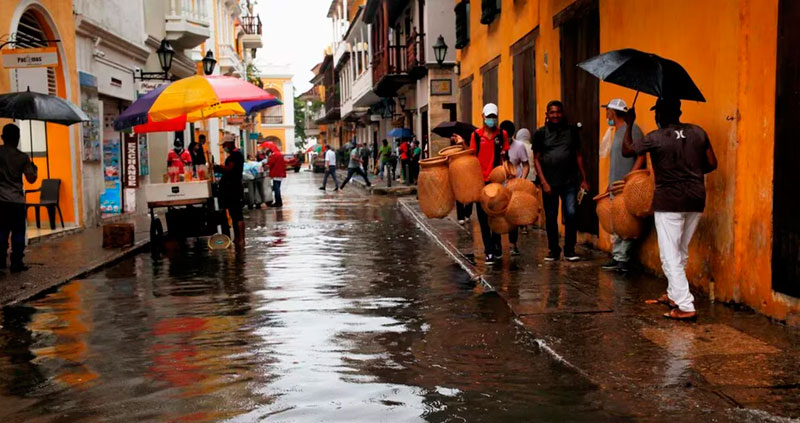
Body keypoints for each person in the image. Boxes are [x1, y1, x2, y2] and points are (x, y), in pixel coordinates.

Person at [622, 97, 717, 321]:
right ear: (679, 111)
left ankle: (685, 305)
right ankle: (675, 295)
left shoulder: (655, 137)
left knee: (669, 255)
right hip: (695, 198)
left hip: (669, 201)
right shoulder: (698, 132)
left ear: (658, 116)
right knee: (680, 250)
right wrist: (689, 170)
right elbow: (711, 163)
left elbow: (627, 150)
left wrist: (629, 124)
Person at [533, 100, 590, 262]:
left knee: (571, 214)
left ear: (562, 113)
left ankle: (570, 249)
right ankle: (553, 249)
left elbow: (579, 156)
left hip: (570, 181)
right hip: (549, 183)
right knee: (551, 217)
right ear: (547, 115)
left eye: (558, 112)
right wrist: (543, 182)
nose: (555, 115)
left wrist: (584, 179)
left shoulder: (572, 132)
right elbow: (536, 159)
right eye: (552, 112)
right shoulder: (540, 133)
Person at [601, 98, 645, 272]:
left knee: (627, 221)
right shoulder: (616, 131)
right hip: (616, 184)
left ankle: (623, 259)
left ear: (612, 112)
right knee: (617, 221)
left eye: (607, 112)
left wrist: (630, 177)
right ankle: (618, 256)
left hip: (626, 184)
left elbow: (641, 155)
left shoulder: (632, 130)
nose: (606, 115)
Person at [470, 103, 509, 264]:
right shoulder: (476, 136)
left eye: (494, 117)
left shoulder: (502, 134)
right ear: (483, 117)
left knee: (497, 214)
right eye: (489, 117)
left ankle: (497, 243)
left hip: (497, 181)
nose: (491, 119)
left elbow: (506, 155)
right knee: (483, 216)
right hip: (481, 182)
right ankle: (489, 250)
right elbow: (472, 156)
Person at [0, 124, 37, 272]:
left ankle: (1, 262)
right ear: (17, 139)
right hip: (16, 201)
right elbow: (31, 179)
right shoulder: (23, 157)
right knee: (18, 233)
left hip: (0, 201)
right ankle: (17, 263)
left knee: (1, 232)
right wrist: (34, 169)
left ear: (3, 138)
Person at [505, 121, 530, 256]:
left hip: (514, 185)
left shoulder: (519, 146)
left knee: (512, 215)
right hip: (499, 185)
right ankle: (496, 246)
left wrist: (522, 179)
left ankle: (512, 243)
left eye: (508, 136)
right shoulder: (496, 145)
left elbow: (526, 164)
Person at [214, 137, 245, 246]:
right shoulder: (234, 155)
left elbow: (229, 169)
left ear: (229, 143)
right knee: (233, 214)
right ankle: (237, 238)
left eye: (224, 145)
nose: (223, 147)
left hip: (234, 189)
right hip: (230, 189)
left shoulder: (236, 155)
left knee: (237, 215)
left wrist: (218, 167)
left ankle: (241, 239)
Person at [450, 133, 474, 225]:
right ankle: (461, 216)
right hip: (457, 172)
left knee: (469, 194)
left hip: (468, 172)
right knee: (458, 194)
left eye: (456, 136)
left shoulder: (467, 144)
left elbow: (470, 153)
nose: (454, 138)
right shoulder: (452, 148)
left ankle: (467, 213)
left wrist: (463, 143)